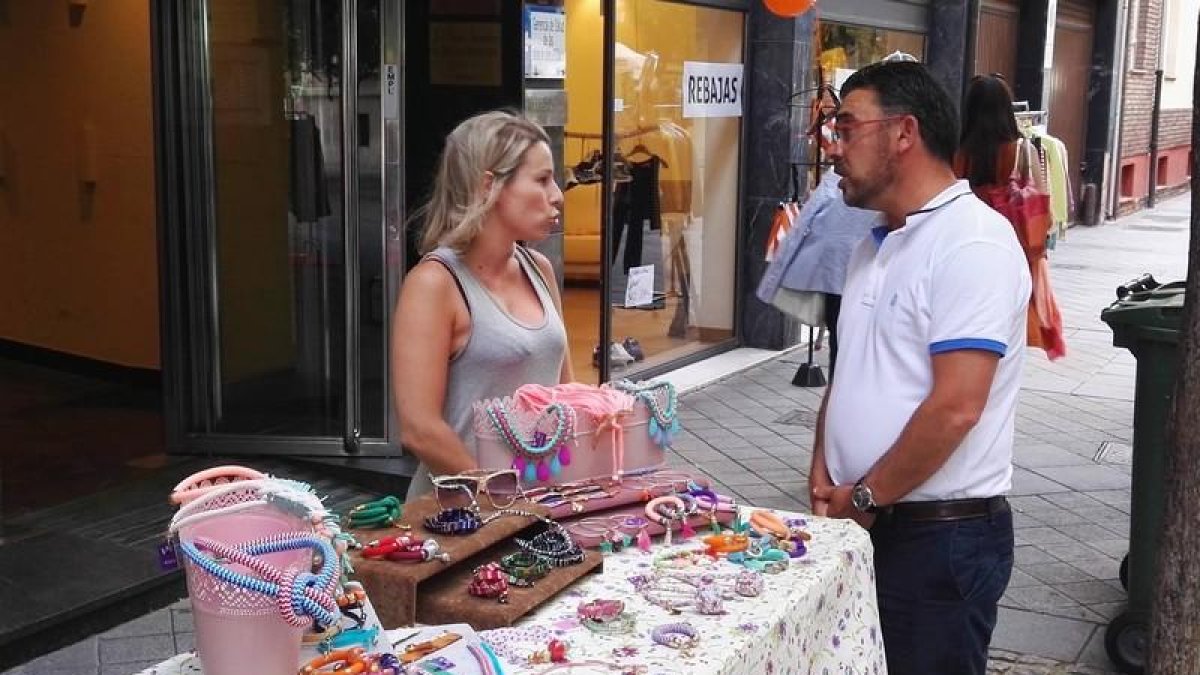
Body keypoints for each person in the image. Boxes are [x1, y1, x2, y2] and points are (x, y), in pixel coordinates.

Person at [808, 61, 1031, 674]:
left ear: (903, 133)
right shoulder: (871, 244)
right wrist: (824, 473)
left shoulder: (972, 242)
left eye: (847, 126)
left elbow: (957, 405)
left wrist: (868, 495)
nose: (834, 146)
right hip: (864, 520)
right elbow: (849, 370)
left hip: (938, 541)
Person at [392, 110, 573, 501]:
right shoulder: (433, 284)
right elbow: (419, 429)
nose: (557, 194)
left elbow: (567, 395)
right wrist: (502, 497)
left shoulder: (538, 268)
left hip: (541, 507)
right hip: (459, 516)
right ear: (488, 186)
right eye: (541, 180)